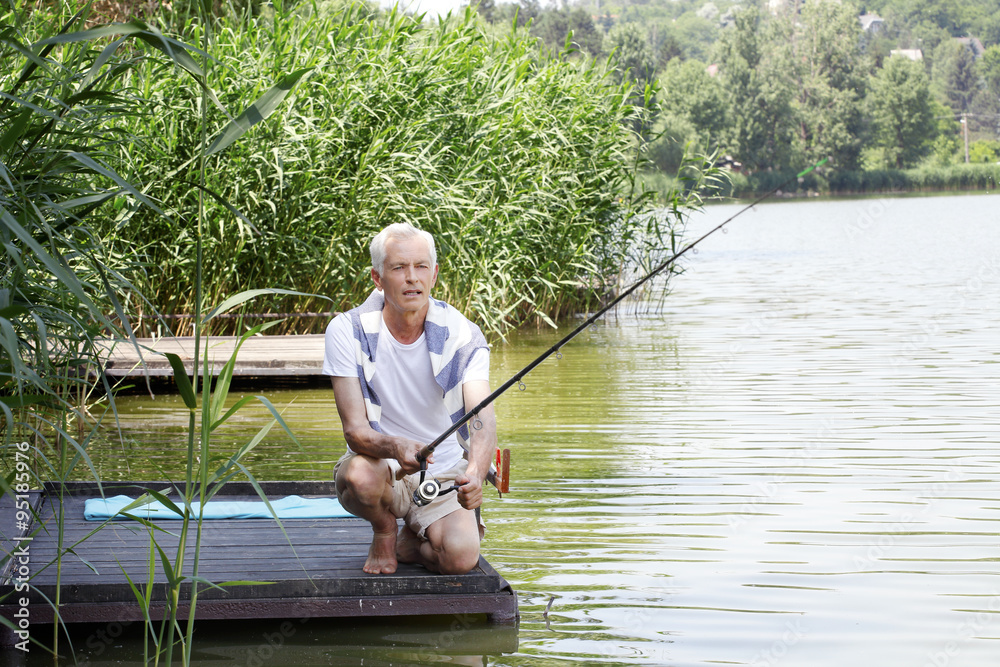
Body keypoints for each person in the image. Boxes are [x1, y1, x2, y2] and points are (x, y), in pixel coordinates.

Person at [322, 222, 497, 575]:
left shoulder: (463, 334)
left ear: (434, 274)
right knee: (357, 476)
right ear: (378, 278)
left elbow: (482, 416)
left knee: (462, 559)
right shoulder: (347, 331)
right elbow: (354, 431)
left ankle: (410, 545)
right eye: (399, 268)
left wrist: (476, 471)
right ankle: (385, 529)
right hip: (383, 463)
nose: (411, 278)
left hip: (444, 471)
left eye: (420, 267)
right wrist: (397, 447)